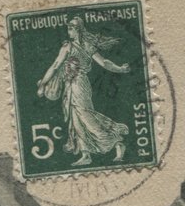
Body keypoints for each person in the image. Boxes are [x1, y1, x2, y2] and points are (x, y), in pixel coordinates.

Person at [36, 16, 131, 167]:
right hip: (70, 86)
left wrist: (120, 69)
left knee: (86, 116)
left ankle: (116, 142)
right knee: (76, 120)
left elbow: (104, 62)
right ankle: (85, 154)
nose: (69, 31)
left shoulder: (85, 46)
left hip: (80, 85)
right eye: (68, 28)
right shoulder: (68, 46)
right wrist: (44, 83)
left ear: (79, 29)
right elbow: (55, 66)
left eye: (72, 28)